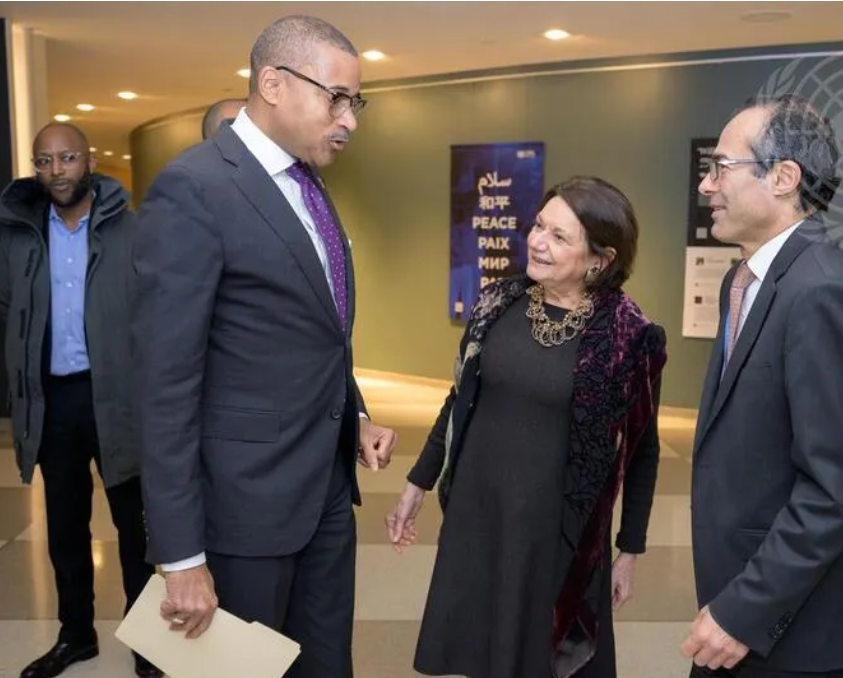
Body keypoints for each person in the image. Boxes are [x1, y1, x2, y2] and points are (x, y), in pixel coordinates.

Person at [132, 15, 397, 678]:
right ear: (273, 83)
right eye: (335, 97)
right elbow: (164, 386)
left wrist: (355, 412)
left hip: (324, 491)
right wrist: (181, 557)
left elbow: (312, 330)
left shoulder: (308, 184)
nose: (349, 119)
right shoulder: (195, 189)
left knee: (324, 664)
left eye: (355, 102)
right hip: (242, 511)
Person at [388, 176, 668, 678]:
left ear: (600, 260)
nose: (536, 241)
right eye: (539, 225)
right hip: (480, 516)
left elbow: (643, 451)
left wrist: (629, 549)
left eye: (560, 236)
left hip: (554, 534)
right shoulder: (497, 304)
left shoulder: (629, 337)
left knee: (541, 659)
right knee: (483, 652)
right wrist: (418, 482)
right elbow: (460, 402)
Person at [682, 94, 843, 678]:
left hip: (795, 626)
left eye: (721, 168)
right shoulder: (749, 276)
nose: (707, 186)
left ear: (783, 177)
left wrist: (743, 612)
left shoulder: (821, 291)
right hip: (752, 594)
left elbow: (835, 489)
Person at [0, 123, 161, 678]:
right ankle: (77, 636)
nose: (56, 171)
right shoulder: (19, 234)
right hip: (53, 402)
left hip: (116, 399)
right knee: (65, 528)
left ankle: (148, 643)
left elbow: (156, 316)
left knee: (135, 531)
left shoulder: (130, 230)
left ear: (88, 160)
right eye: (43, 161)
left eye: (66, 158)